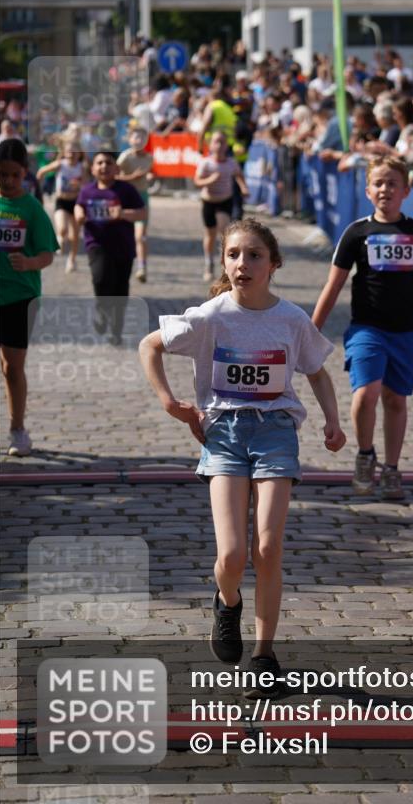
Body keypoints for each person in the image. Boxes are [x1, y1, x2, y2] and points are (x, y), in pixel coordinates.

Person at [139, 218, 346, 676]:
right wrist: (171, 403)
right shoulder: (211, 315)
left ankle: (264, 654)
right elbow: (149, 346)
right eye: (234, 255)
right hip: (226, 436)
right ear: (223, 261)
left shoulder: (291, 319)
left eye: (254, 255)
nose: (242, 264)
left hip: (276, 433)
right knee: (232, 556)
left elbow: (316, 371)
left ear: (274, 264)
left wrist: (332, 421)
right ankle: (226, 601)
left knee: (268, 547)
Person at [312, 156, 413, 500]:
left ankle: (391, 468)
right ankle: (365, 455)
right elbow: (333, 285)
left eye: (392, 183)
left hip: (407, 331)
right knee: (365, 394)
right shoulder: (357, 233)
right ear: (368, 190)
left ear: (406, 190)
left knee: (395, 399)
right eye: (379, 183)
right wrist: (312, 329)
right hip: (366, 329)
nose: (385, 189)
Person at [0, 138, 58, 456]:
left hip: (21, 296)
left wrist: (30, 262)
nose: (7, 181)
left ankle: (17, 429)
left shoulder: (32, 209)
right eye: (1, 174)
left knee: (11, 366)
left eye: (14, 175)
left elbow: (48, 253)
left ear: (25, 173)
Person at [74, 150, 146, 346]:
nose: (104, 166)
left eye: (108, 163)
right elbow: (79, 206)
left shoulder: (126, 190)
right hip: (96, 244)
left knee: (120, 290)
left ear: (116, 168)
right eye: (99, 163)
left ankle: (116, 331)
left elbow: (141, 213)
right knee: (100, 279)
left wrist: (122, 213)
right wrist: (79, 214)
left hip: (123, 247)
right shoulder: (87, 190)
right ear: (93, 168)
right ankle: (101, 310)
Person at [194, 131, 249, 283]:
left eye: (222, 142)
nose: (219, 145)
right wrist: (210, 180)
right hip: (208, 201)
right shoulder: (206, 163)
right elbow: (197, 181)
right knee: (210, 235)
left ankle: (225, 266)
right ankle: (208, 263)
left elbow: (239, 175)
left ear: (227, 146)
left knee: (223, 230)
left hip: (225, 200)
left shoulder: (231, 163)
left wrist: (243, 187)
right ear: (210, 145)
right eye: (216, 142)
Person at [36, 138, 87, 273]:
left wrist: (80, 184)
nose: (72, 154)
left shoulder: (81, 167)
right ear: (64, 152)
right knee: (62, 228)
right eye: (69, 151)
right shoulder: (60, 164)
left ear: (79, 153)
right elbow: (42, 171)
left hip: (76, 202)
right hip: (61, 201)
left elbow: (87, 185)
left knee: (74, 235)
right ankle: (60, 238)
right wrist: (37, 187)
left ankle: (72, 259)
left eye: (75, 151)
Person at [117, 126, 154, 283]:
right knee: (123, 234)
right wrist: (132, 177)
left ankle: (142, 267)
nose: (139, 141)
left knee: (141, 236)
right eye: (136, 137)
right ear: (130, 139)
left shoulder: (149, 158)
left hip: (142, 197)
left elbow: (149, 173)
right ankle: (121, 264)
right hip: (126, 198)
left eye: (143, 138)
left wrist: (149, 177)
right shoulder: (125, 157)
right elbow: (114, 176)